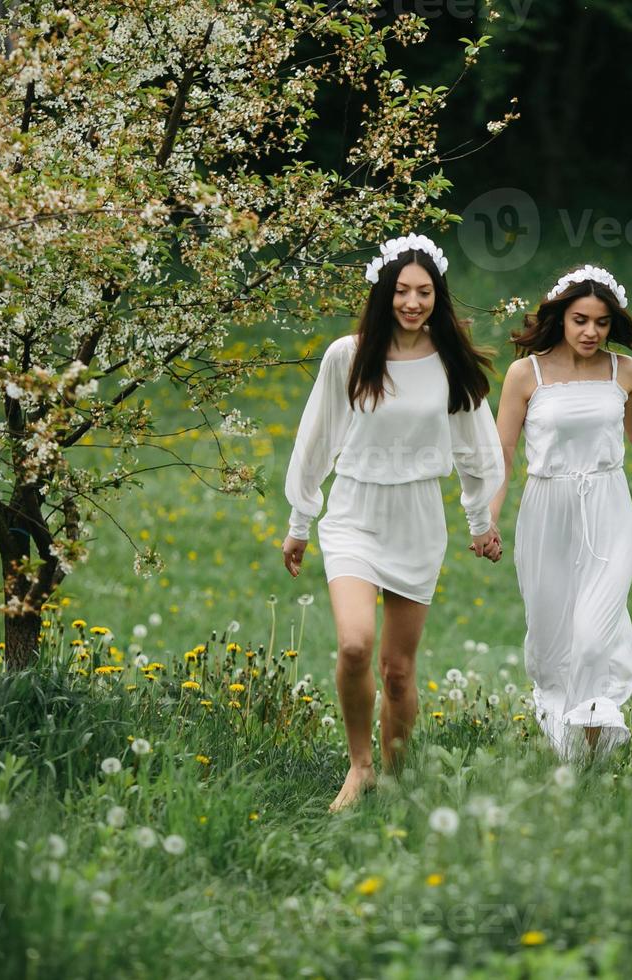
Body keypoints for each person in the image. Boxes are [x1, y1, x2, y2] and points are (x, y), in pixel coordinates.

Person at [282, 233, 505, 811]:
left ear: (438, 295)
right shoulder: (348, 355)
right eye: (402, 290)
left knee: (399, 671)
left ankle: (395, 777)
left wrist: (481, 520)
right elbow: (317, 440)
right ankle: (359, 768)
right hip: (354, 512)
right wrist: (300, 521)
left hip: (418, 517)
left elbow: (478, 449)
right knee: (355, 646)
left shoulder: (450, 359)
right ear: (384, 292)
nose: (412, 302)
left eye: (424, 292)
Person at [490, 265, 632, 761]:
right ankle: (568, 744)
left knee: (596, 636)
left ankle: (596, 731)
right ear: (559, 318)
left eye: (601, 323)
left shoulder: (624, 371)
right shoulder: (525, 374)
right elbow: (504, 453)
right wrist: (486, 519)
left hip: (608, 507)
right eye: (580, 320)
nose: (590, 332)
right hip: (547, 511)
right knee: (552, 634)